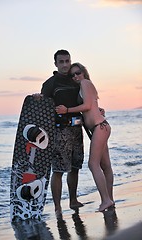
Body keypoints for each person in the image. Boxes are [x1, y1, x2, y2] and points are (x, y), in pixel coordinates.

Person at [56, 62, 114, 212]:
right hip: (100, 128)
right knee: (105, 166)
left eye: (78, 73)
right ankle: (109, 199)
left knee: (93, 164)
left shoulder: (85, 83)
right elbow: (92, 106)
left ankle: (106, 200)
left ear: (84, 73)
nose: (75, 76)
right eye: (72, 74)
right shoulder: (83, 85)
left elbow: (87, 105)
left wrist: (66, 110)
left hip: (99, 128)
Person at [41, 50, 84, 218]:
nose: (65, 65)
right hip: (59, 131)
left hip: (77, 130)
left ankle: (73, 200)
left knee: (75, 168)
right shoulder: (50, 83)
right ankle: (58, 207)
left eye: (67, 61)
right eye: (61, 62)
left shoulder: (76, 80)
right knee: (58, 170)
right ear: (55, 64)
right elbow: (43, 109)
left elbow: (85, 101)